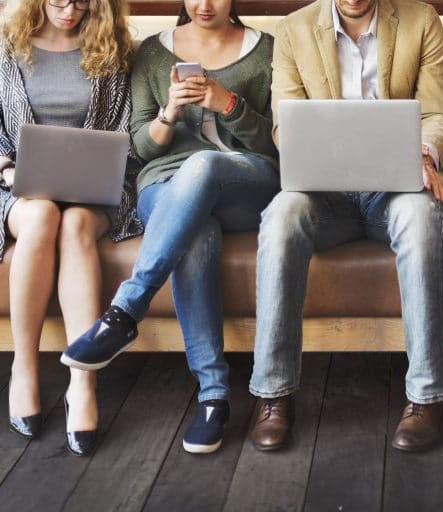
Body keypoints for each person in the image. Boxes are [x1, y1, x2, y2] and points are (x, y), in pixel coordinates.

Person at [61, 0, 279, 454]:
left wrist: (229, 104)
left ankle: (124, 313)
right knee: (195, 230)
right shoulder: (152, 54)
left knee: (203, 165)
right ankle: (214, 395)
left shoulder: (267, 50)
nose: (204, 5)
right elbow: (140, 147)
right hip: (166, 185)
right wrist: (169, 114)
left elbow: (277, 144)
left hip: (245, 180)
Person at [244, 0, 443, 453]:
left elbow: (439, 114)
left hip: (396, 187)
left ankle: (424, 397)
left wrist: (424, 153)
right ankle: (274, 394)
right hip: (327, 191)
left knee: (422, 217)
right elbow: (285, 125)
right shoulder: (294, 29)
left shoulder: (422, 20)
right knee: (282, 214)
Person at [0, 0, 141, 455]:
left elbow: (124, 134)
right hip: (13, 187)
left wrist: (94, 176)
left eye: (83, 1)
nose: (70, 9)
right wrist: (11, 173)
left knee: (74, 221)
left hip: (92, 193)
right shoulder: (1, 46)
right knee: (41, 213)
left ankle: (82, 382)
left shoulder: (113, 47)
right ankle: (26, 368)